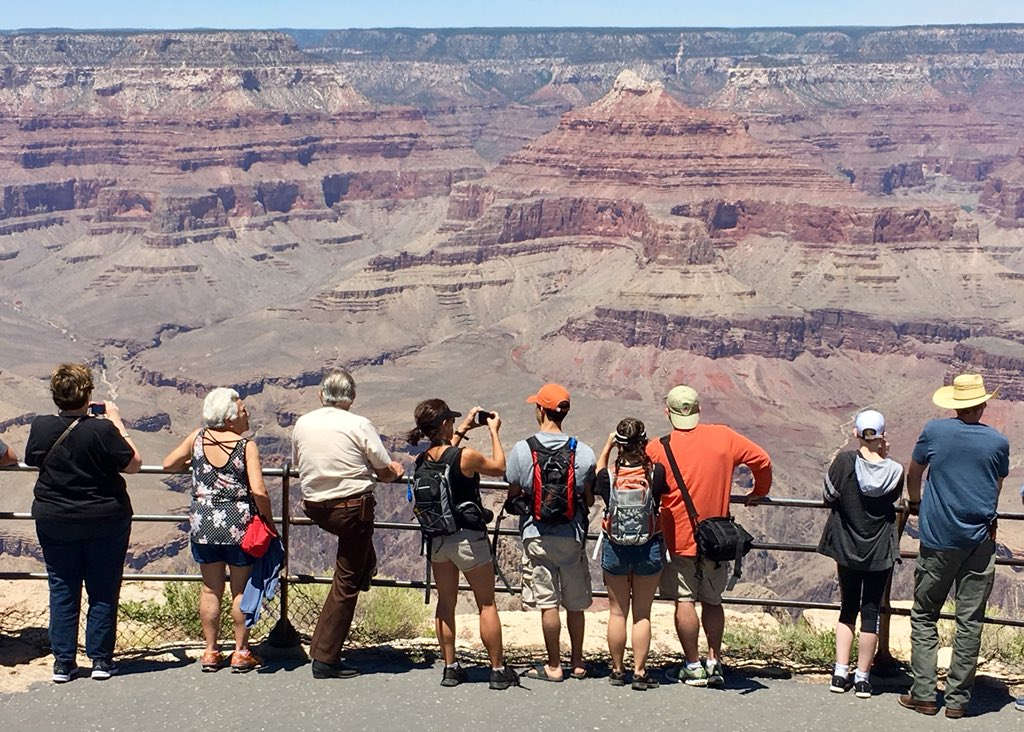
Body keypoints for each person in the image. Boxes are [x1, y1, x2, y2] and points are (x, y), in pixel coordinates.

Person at [646, 384, 771, 688]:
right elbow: (762, 460)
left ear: (668, 413)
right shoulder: (724, 437)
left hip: (679, 537)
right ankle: (714, 662)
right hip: (717, 538)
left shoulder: (657, 447)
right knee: (713, 602)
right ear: (698, 410)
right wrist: (758, 492)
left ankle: (692, 666)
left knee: (685, 600)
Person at [899, 374, 1008, 719]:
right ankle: (958, 701)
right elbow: (996, 486)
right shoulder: (998, 442)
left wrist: (915, 502)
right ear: (982, 404)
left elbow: (913, 474)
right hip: (979, 542)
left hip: (938, 540)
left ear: (955, 404)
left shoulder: (934, 432)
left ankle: (925, 694)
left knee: (925, 614)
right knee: (970, 620)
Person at [24, 363, 141, 683]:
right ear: (88, 394)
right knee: (103, 588)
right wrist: (116, 421)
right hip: (105, 519)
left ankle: (64, 663)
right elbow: (133, 464)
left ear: (55, 395)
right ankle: (101, 660)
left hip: (55, 518)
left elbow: (33, 459)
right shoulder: (102, 430)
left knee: (62, 586)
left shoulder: (42, 426)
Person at [292, 369, 403, 679]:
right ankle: (325, 658)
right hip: (353, 509)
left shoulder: (303, 423)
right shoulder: (358, 424)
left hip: (316, 507)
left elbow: (299, 462)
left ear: (320, 395)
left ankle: (366, 567)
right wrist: (395, 469)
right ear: (352, 398)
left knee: (356, 554)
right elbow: (383, 470)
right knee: (346, 582)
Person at [406, 400, 519, 690]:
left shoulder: (422, 460)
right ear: (445, 424)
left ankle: (451, 668)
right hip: (468, 539)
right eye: (452, 422)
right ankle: (497, 670)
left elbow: (446, 458)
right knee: (487, 603)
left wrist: (466, 426)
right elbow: (499, 467)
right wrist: (494, 431)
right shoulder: (465, 456)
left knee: (446, 602)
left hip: (438, 540)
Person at [162, 387, 273, 673]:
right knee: (240, 591)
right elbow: (259, 490)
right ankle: (240, 652)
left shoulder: (197, 438)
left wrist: (194, 463)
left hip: (204, 525)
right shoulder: (245, 446)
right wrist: (268, 521)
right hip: (238, 525)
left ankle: (211, 652)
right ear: (229, 418)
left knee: (211, 588)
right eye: (243, 410)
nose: (247, 414)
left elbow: (168, 463)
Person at [505, 383, 595, 682]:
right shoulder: (583, 452)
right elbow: (589, 497)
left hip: (536, 534)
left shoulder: (523, 448)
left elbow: (514, 491)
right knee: (575, 605)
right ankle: (579, 663)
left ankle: (554, 665)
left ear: (541, 410)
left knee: (548, 604)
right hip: (572, 535)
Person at [817, 409, 903, 699]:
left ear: (856, 433)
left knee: (848, 607)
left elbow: (828, 495)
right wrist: (885, 455)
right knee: (871, 613)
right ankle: (863, 678)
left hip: (847, 546)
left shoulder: (844, 461)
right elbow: (892, 500)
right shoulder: (896, 470)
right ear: (882, 436)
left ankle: (841, 673)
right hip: (879, 550)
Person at [594, 417, 668, 690]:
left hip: (615, 549)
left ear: (619, 445)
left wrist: (606, 446)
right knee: (642, 614)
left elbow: (597, 474)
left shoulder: (609, 476)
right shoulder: (655, 473)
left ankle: (617, 670)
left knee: (617, 613)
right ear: (644, 442)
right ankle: (639, 671)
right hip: (648, 547)